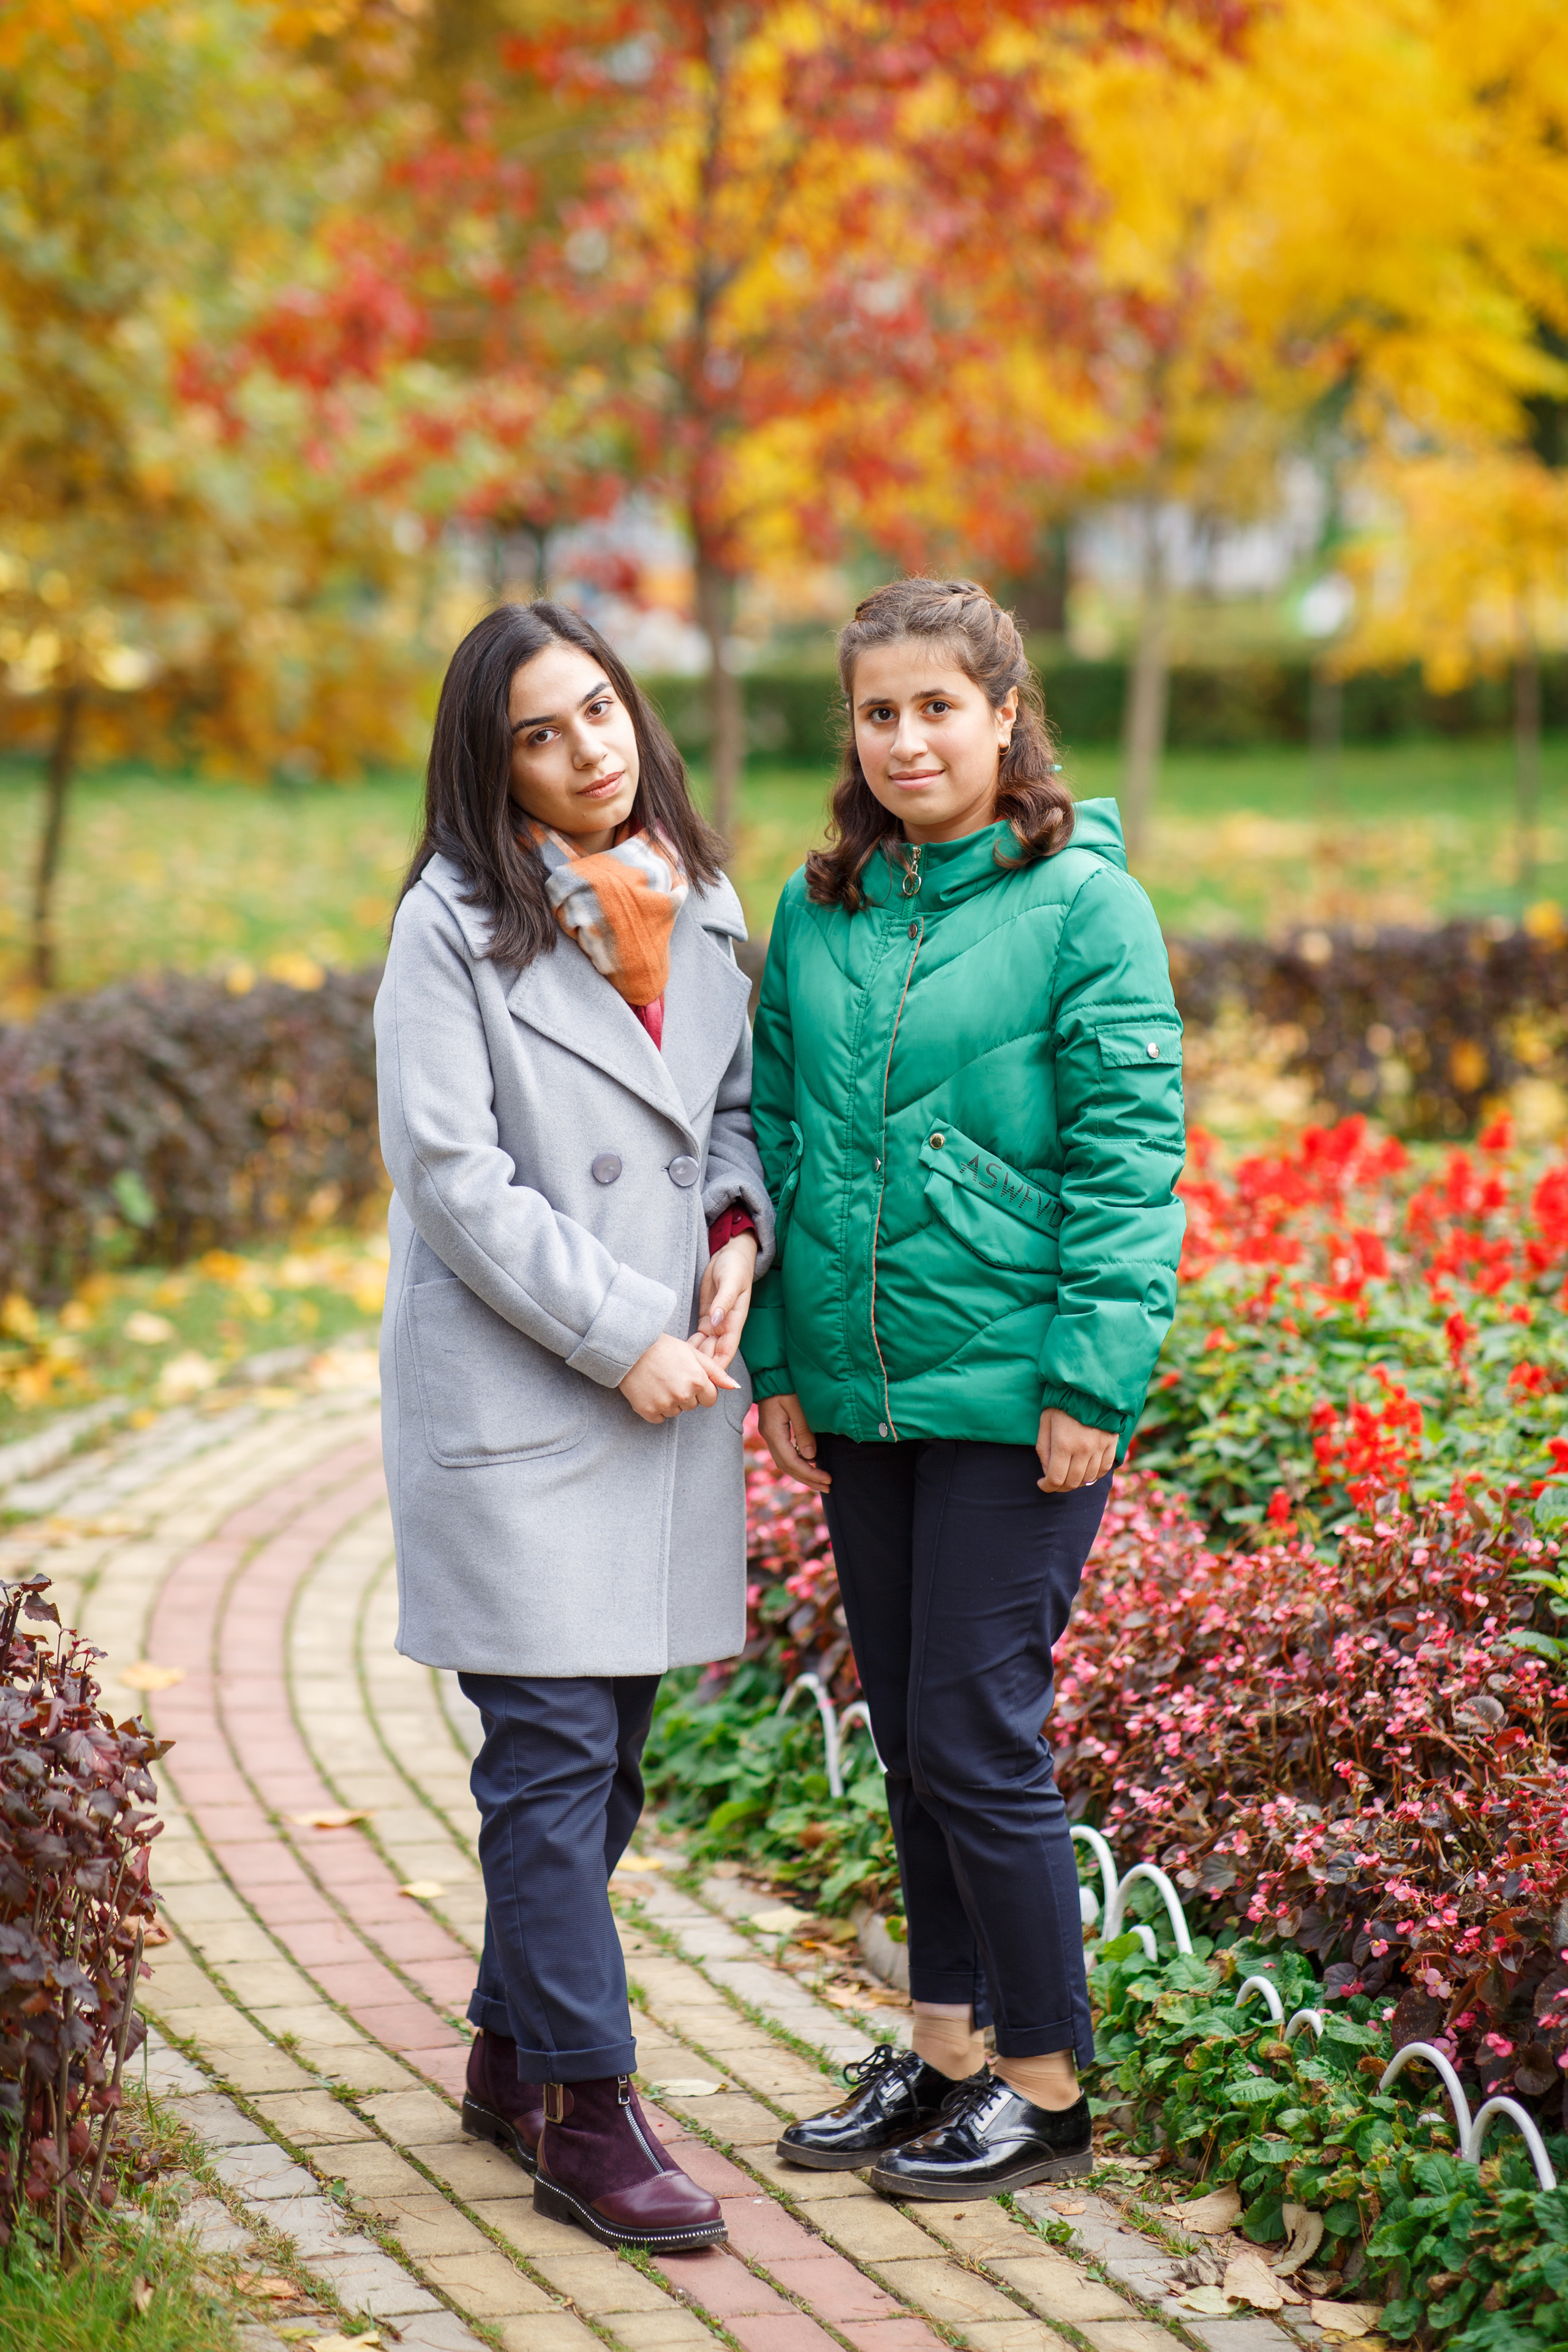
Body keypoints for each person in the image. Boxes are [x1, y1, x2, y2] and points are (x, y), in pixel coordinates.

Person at [744, 578, 1185, 2198]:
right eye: (880, 712)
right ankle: (941, 2054)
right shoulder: (824, 905)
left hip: (1020, 1393)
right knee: (917, 1740)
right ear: (852, 734)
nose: (911, 736)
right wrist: (780, 1358)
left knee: (977, 1735)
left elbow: (1134, 1164)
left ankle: (1048, 2090)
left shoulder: (1085, 904)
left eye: (941, 706)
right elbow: (775, 1135)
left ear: (1007, 716)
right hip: (866, 1393)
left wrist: (1090, 1375)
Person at [375, 600, 773, 2253]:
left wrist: (739, 1225)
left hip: (665, 1387)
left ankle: (502, 2052)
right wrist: (625, 1337)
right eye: (539, 733)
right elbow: (454, 1180)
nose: (585, 751)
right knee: (547, 1766)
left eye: (598, 711)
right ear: (493, 764)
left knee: (604, 1768)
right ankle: (588, 2117)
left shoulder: (702, 894)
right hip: (537, 1389)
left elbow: (735, 1108)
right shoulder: (449, 925)